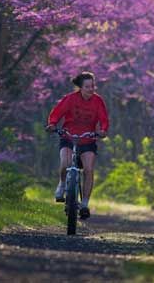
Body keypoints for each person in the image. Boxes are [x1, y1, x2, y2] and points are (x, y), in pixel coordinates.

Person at [46, 71, 109, 219]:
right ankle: (62, 184)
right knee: (65, 164)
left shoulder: (98, 101)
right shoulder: (70, 99)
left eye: (92, 86)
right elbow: (56, 113)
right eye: (87, 86)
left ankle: (85, 203)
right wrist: (52, 124)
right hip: (68, 137)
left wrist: (103, 130)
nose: (91, 89)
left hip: (88, 140)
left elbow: (104, 118)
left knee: (88, 170)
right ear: (80, 87)